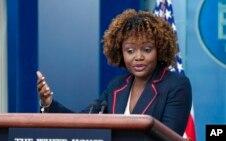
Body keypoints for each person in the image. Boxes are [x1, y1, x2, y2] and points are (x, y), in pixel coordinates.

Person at [37, 9, 192, 136]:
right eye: (130, 51)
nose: (138, 57)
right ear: (121, 53)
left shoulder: (176, 85)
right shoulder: (117, 86)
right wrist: (49, 103)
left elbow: (167, 137)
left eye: (147, 49)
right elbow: (82, 121)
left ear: (159, 50)